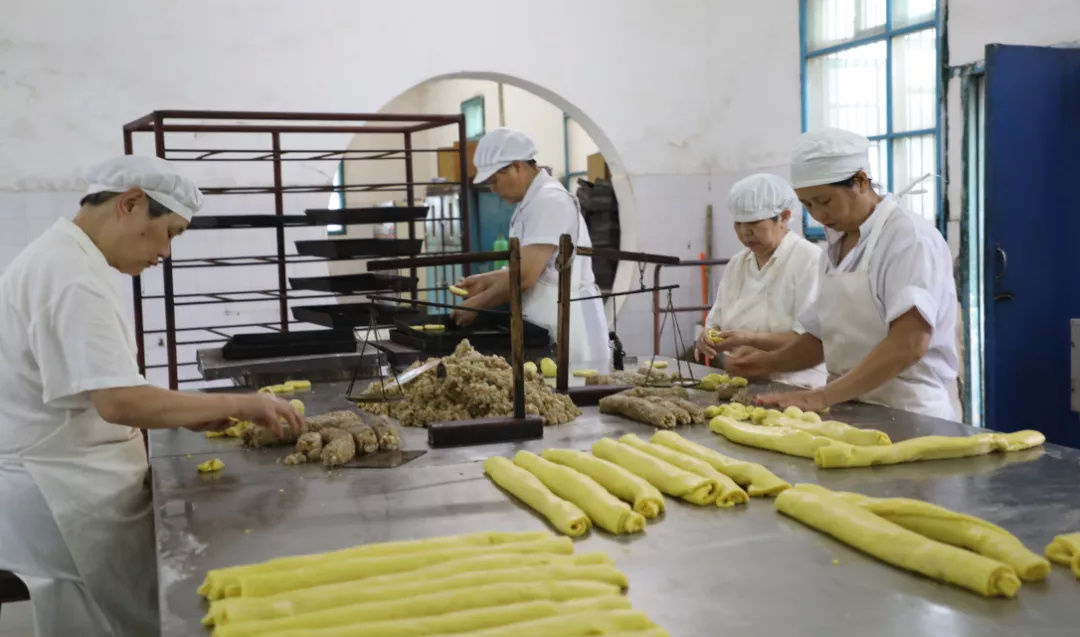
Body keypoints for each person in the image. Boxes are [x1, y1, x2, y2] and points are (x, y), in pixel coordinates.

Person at [0, 156, 304, 636]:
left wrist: (185, 413)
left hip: (70, 483)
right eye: (171, 232)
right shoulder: (72, 276)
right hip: (64, 498)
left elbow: (106, 389)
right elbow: (119, 401)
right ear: (131, 204)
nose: (166, 251)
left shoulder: (68, 258)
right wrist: (239, 403)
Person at [726, 128, 960, 419]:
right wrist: (767, 362)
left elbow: (909, 342)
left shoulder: (908, 238)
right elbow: (823, 338)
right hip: (849, 407)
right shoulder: (835, 244)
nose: (818, 215)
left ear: (861, 181)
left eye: (824, 201)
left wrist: (821, 396)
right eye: (808, 205)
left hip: (910, 412)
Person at [450, 128, 610, 366]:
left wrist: (477, 304)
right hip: (550, 325)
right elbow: (536, 266)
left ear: (517, 166)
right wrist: (487, 280)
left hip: (572, 332)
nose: (493, 189)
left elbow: (525, 276)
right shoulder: (532, 202)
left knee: (574, 395)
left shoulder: (549, 201)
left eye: (495, 180)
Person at [694, 173, 826, 388]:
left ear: (783, 217)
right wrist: (708, 338)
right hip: (742, 383)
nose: (746, 233)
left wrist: (749, 338)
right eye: (739, 224)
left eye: (754, 223)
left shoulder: (810, 261)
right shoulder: (737, 264)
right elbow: (715, 324)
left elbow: (811, 341)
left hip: (797, 385)